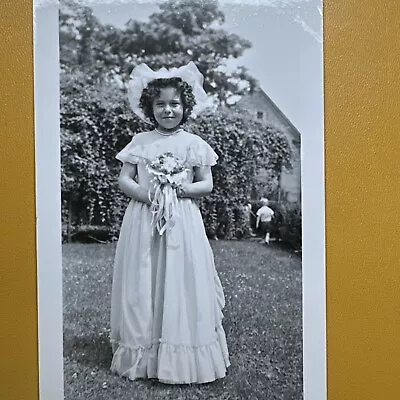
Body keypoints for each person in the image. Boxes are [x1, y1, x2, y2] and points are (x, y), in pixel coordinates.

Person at [110, 62, 230, 384]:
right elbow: (125, 179)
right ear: (150, 107)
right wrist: (147, 195)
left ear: (185, 106)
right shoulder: (141, 141)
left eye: (174, 103)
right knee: (144, 276)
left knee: (181, 277)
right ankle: (142, 351)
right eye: (160, 104)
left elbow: (206, 184)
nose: (168, 110)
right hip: (144, 218)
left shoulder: (193, 143)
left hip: (182, 219)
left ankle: (183, 350)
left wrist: (180, 189)